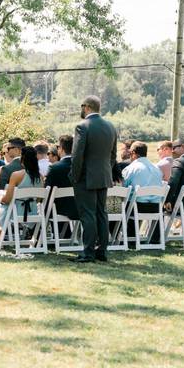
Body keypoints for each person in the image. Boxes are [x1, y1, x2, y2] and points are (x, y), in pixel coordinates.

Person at [70, 95, 118, 263]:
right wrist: (105, 171)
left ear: (87, 107)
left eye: (82, 106)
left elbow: (77, 156)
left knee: (88, 215)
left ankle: (88, 252)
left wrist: (75, 176)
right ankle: (102, 251)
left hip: (85, 178)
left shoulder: (82, 126)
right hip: (104, 176)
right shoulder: (111, 127)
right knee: (101, 214)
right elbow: (113, 156)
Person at [0, 146, 42, 241]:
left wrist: (0, 199)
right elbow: (39, 200)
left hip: (17, 213)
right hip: (33, 212)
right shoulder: (40, 177)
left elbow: (7, 200)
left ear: (22, 159)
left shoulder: (16, 175)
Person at [121, 141, 166, 215]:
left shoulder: (130, 168)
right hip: (156, 208)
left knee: (114, 207)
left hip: (136, 208)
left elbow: (124, 189)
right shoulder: (157, 169)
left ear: (133, 153)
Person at [44, 135, 78, 221]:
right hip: (82, 208)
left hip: (59, 210)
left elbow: (46, 190)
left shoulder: (54, 168)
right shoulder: (84, 166)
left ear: (61, 149)